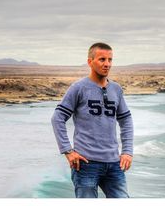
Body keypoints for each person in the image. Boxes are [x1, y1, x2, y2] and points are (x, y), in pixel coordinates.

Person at [51, 42, 134, 198]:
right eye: (102, 59)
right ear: (90, 62)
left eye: (110, 60)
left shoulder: (116, 89)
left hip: (114, 164)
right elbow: (58, 118)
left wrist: (127, 152)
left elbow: (126, 119)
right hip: (86, 164)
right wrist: (68, 151)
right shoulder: (79, 88)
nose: (107, 64)